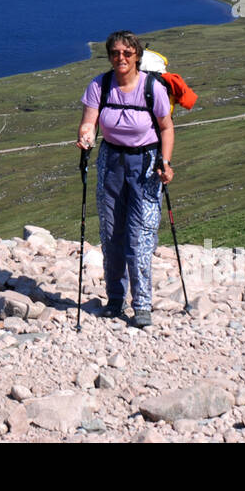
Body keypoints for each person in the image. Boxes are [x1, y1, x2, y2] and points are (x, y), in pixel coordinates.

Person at [76, 30, 174, 329]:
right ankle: (115, 300)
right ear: (109, 56)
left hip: (146, 163)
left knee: (140, 236)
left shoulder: (151, 88)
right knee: (111, 233)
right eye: (115, 53)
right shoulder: (100, 85)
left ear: (137, 57)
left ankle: (142, 305)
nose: (121, 58)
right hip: (111, 161)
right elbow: (89, 121)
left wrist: (166, 162)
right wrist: (85, 136)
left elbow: (166, 127)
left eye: (127, 53)